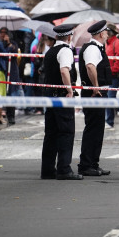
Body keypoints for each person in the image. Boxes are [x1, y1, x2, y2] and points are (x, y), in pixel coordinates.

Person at [41, 23, 83, 181]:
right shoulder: (65, 50)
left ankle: (47, 170)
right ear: (69, 37)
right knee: (65, 132)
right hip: (62, 96)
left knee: (51, 134)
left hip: (50, 96)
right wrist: (70, 90)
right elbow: (64, 70)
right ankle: (64, 169)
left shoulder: (50, 51)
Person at [78, 20, 113, 177]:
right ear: (100, 33)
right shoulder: (92, 48)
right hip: (94, 94)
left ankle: (93, 163)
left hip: (97, 93)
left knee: (97, 129)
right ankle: (86, 164)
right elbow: (90, 67)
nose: (107, 34)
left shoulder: (97, 47)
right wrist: (96, 86)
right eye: (106, 32)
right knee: (93, 129)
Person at [0, 27, 23, 125]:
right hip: (1, 70)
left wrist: (8, 43)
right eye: (2, 33)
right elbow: (2, 54)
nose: (3, 35)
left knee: (11, 93)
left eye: (5, 33)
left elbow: (13, 52)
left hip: (12, 71)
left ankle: (11, 116)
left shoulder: (14, 43)